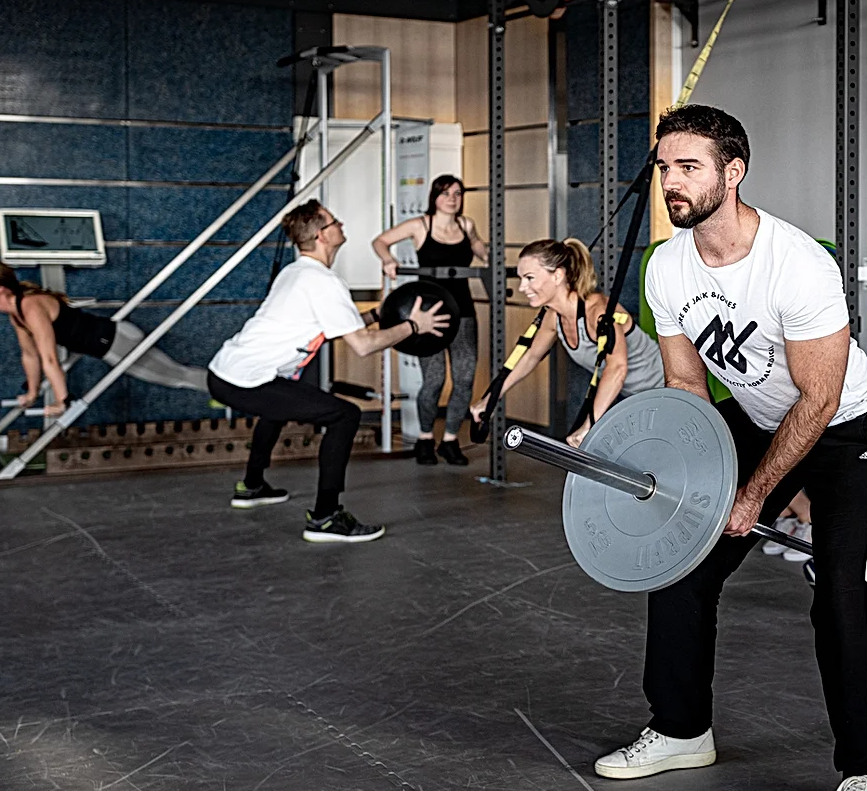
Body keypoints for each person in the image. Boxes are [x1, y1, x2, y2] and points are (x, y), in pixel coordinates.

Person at [597, 104, 867, 791]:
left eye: (688, 166)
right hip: (760, 419)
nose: (670, 180)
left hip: (847, 428)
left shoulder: (796, 263)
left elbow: (820, 398)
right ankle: (679, 729)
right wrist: (695, 487)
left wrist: (755, 493)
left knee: (840, 591)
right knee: (681, 563)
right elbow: (686, 386)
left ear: (732, 173)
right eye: (665, 166)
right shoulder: (666, 264)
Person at [208, 200, 449, 543]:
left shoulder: (297, 272)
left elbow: (332, 326)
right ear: (323, 235)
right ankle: (325, 517)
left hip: (225, 373)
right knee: (344, 415)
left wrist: (377, 315)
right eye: (336, 221)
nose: (342, 224)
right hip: (246, 381)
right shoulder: (323, 282)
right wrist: (414, 326)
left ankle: (252, 485)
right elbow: (364, 346)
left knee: (277, 407)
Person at [467, 237, 664, 447]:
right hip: (639, 399)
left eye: (530, 278)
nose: (523, 287)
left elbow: (617, 368)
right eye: (521, 278)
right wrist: (492, 397)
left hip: (668, 390)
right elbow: (531, 357)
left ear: (558, 275)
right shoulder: (554, 317)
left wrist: (589, 425)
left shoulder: (597, 312)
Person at [0, 261, 207, 416]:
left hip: (116, 341)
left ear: (0, 288)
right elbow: (30, 356)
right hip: (108, 344)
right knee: (176, 376)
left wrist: (63, 400)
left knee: (177, 377)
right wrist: (31, 393)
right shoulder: (16, 315)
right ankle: (229, 389)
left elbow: (49, 358)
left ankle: (231, 389)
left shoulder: (30, 307)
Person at [371, 175, 486, 466]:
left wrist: (491, 255)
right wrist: (388, 260)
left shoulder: (466, 225)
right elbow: (380, 241)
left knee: (464, 378)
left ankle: (449, 440)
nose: (452, 198)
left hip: (463, 312)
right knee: (434, 380)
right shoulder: (421, 225)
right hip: (428, 316)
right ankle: (425, 437)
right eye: (446, 193)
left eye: (458, 193)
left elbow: (482, 251)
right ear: (435, 196)